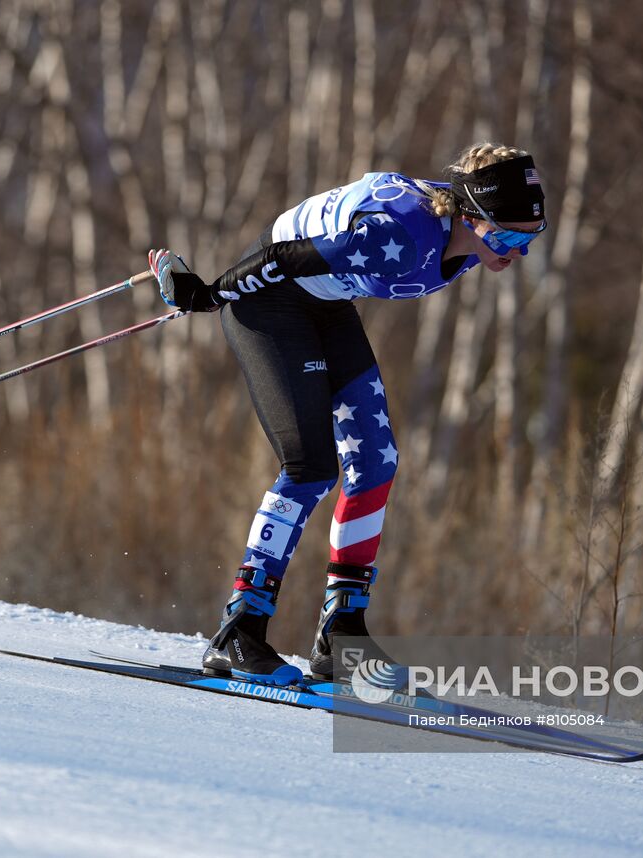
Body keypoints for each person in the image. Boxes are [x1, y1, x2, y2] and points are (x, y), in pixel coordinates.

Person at [149, 142, 547, 686]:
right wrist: (209, 296)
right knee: (310, 467)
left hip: (325, 304)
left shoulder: (460, 238)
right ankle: (238, 632)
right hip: (271, 299)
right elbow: (280, 259)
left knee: (376, 463)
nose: (516, 251)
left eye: (530, 238)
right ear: (471, 216)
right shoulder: (397, 237)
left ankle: (342, 635)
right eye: (507, 237)